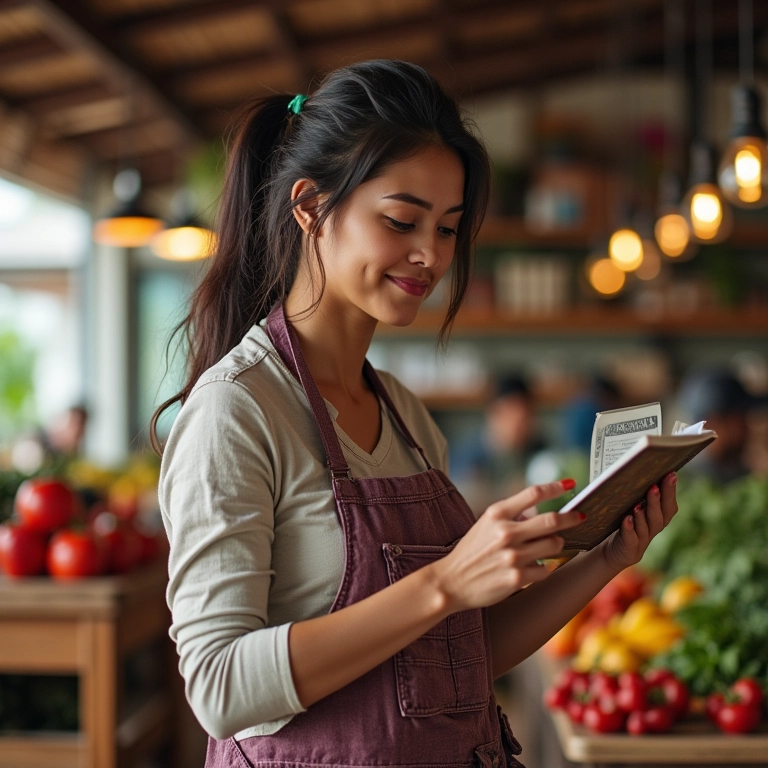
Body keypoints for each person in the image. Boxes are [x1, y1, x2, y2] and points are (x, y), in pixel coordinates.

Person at [151, 60, 678, 768]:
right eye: (401, 221)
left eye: (450, 229)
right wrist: (444, 583)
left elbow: (461, 655)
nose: (430, 255)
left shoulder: (404, 413)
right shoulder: (237, 411)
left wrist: (606, 557)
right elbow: (218, 687)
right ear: (310, 207)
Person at [450, 373, 548, 510]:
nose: (515, 426)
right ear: (492, 413)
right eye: (508, 414)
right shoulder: (467, 454)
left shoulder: (539, 449)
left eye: (524, 417)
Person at [677, 368, 767, 484]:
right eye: (741, 415)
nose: (748, 425)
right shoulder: (693, 481)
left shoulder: (741, 465)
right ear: (713, 423)